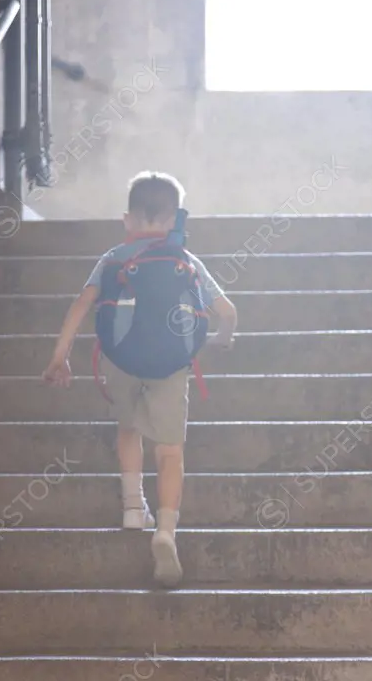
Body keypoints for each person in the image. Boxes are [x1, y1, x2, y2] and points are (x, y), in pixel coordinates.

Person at [43, 171, 238, 587]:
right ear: (174, 220)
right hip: (172, 364)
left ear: (128, 219)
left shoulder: (113, 258)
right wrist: (222, 340)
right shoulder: (186, 259)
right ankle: (165, 530)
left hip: (122, 360)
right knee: (170, 452)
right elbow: (228, 310)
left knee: (128, 429)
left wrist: (60, 357)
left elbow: (82, 305)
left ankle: (133, 507)